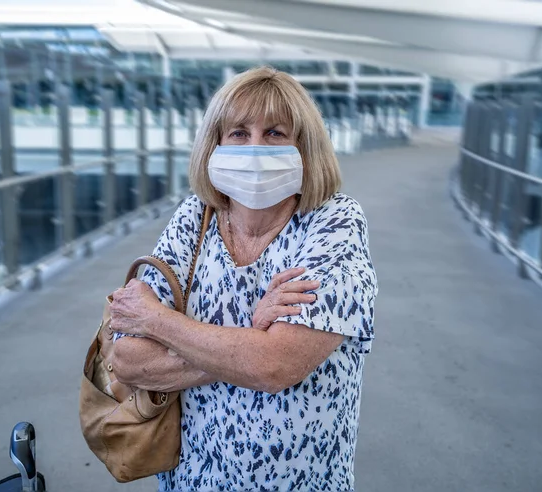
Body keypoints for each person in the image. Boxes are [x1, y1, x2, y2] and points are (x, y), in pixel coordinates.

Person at [109, 66, 378, 492]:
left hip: (297, 480)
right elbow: (127, 361)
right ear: (213, 145)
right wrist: (250, 336)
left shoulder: (333, 222)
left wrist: (156, 322)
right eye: (238, 132)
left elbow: (275, 365)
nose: (255, 148)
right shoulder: (195, 217)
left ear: (305, 148)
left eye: (274, 133)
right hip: (193, 477)